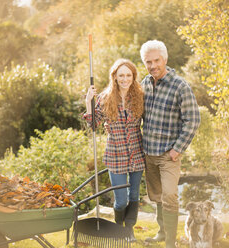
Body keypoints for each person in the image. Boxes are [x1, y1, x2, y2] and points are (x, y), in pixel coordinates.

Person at [140, 40, 200, 248]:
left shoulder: (180, 86)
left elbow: (193, 119)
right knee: (157, 196)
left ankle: (171, 243)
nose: (153, 65)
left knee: (170, 196)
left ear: (165, 59)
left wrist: (177, 149)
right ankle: (162, 233)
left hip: (168, 154)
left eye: (156, 60)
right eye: (148, 62)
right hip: (149, 153)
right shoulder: (145, 83)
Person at [83, 58, 145, 242]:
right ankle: (119, 229)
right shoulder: (105, 97)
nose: (125, 79)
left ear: (133, 77)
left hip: (136, 152)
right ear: (115, 77)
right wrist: (88, 101)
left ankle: (129, 230)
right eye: (121, 75)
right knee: (121, 201)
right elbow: (93, 124)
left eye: (128, 75)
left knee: (134, 196)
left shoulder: (139, 96)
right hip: (116, 153)